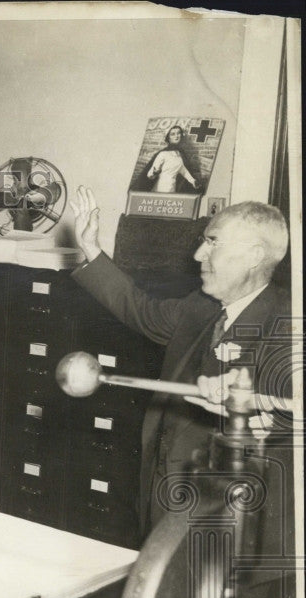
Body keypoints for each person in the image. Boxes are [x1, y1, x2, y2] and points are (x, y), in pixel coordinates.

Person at [70, 186, 292, 535]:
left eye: (213, 242)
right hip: (164, 495)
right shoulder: (200, 307)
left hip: (231, 519)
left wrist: (254, 407)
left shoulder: (290, 324)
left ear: (254, 255)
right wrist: (90, 248)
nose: (198, 253)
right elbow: (139, 309)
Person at [133, 125, 201, 193]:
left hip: (172, 188)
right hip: (161, 188)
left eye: (178, 133)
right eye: (173, 134)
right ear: (168, 138)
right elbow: (149, 174)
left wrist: (193, 181)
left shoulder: (179, 154)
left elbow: (183, 170)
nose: (176, 136)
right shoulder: (163, 154)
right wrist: (155, 172)